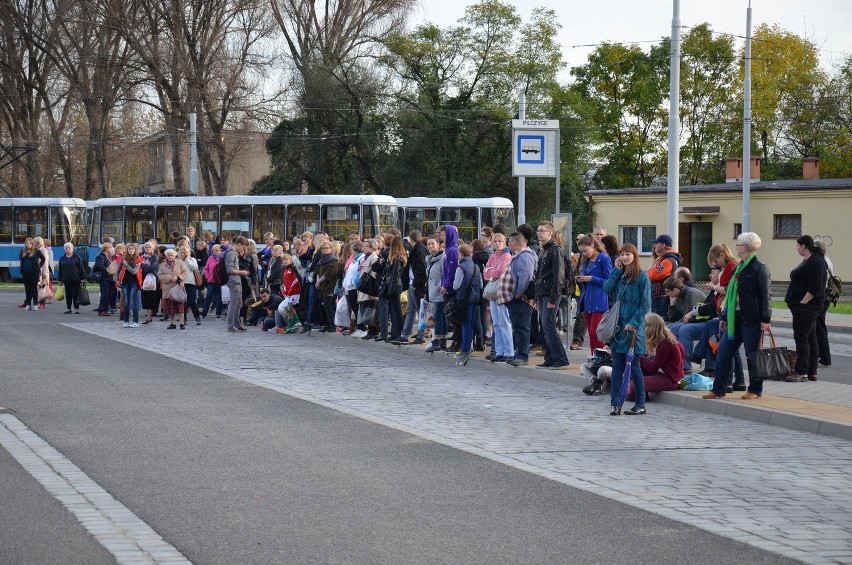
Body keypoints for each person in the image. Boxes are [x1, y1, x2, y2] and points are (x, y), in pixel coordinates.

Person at [703, 232, 772, 400]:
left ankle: (755, 390)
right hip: (735, 317)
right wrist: (725, 317)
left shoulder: (759, 268)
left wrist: (766, 319)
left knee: (752, 354)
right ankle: (718, 388)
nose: (736, 248)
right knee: (724, 351)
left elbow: (766, 295)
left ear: (745, 247)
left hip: (752, 318)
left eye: (738, 245)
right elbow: (731, 295)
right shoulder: (739, 267)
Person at [603, 243, 651, 416]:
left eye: (627, 254)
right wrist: (615, 271)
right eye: (622, 254)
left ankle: (640, 403)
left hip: (633, 329)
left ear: (634, 256)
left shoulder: (642, 277)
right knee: (617, 366)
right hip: (618, 327)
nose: (624, 257)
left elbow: (645, 304)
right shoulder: (620, 276)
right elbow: (606, 288)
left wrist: (633, 322)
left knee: (634, 366)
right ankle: (615, 403)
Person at [784, 235, 828, 382]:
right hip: (804, 306)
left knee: (801, 338)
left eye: (797, 245)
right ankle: (811, 371)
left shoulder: (816, 262)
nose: (796, 248)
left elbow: (815, 287)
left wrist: (803, 303)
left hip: (807, 307)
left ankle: (802, 371)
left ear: (804, 246)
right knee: (810, 337)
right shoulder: (809, 260)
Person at [499, 228, 538, 367]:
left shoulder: (525, 256)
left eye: (509, 241)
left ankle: (522, 356)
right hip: (515, 298)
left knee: (522, 327)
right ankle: (518, 353)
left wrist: (518, 294)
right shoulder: (518, 255)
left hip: (521, 299)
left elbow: (525, 277)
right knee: (518, 327)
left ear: (515, 242)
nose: (508, 244)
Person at [534, 221, 569, 370]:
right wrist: (537, 297)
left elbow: (558, 276)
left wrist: (554, 298)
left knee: (549, 325)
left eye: (542, 230)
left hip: (550, 294)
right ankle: (549, 358)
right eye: (538, 230)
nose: (539, 233)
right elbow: (539, 275)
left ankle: (560, 358)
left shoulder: (555, 250)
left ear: (550, 233)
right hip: (542, 294)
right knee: (545, 325)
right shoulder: (543, 250)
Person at [629, 313, 685, 398]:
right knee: (637, 372)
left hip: (670, 379)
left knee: (634, 386)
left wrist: (639, 357)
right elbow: (682, 352)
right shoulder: (668, 339)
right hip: (670, 376)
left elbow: (652, 368)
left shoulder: (665, 344)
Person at [575, 235, 613, 353]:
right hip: (587, 301)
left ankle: (602, 357)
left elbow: (609, 281)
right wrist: (581, 279)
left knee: (595, 332)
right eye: (581, 252)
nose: (584, 254)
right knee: (591, 334)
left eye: (585, 250)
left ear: (592, 245)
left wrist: (591, 278)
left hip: (599, 300)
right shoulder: (586, 261)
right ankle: (594, 357)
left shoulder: (604, 258)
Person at [483, 232, 513, 362]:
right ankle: (500, 351)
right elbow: (485, 272)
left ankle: (509, 351)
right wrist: (490, 271)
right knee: (495, 322)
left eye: (499, 241)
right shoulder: (493, 256)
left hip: (501, 291)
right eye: (495, 241)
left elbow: (499, 271)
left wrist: (490, 271)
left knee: (504, 322)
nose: (497, 243)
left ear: (504, 242)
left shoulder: (506, 256)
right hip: (493, 292)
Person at [452, 243, 482, 366]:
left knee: (465, 324)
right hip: (475, 298)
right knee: (472, 322)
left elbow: (456, 285)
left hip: (465, 298)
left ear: (461, 254)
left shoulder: (461, 267)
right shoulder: (475, 266)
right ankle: (469, 347)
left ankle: (466, 349)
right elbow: (480, 284)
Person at [400, 231, 428, 344]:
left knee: (419, 310)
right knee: (411, 309)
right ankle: (404, 334)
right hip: (413, 283)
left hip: (417, 285)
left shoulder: (419, 250)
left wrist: (416, 284)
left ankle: (421, 336)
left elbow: (421, 269)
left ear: (411, 240)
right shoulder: (418, 249)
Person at [646, 234, 682, 318]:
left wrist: (649, 271)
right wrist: (650, 271)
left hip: (663, 298)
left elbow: (654, 275)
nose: (654, 246)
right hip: (659, 298)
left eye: (657, 243)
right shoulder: (663, 259)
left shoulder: (668, 260)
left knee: (661, 324)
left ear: (663, 245)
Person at [424, 236, 447, 352]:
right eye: (428, 244)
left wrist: (439, 287)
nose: (431, 246)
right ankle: (442, 339)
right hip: (431, 290)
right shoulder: (428, 258)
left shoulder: (442, 258)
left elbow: (444, 275)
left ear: (438, 244)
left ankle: (437, 340)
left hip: (439, 291)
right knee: (440, 315)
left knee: (438, 316)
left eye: (433, 243)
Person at [313, 240, 340, 332]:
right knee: (324, 305)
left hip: (330, 285)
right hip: (321, 285)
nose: (325, 250)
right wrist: (317, 281)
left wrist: (319, 281)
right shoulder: (322, 260)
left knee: (329, 304)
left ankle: (332, 324)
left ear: (331, 249)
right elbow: (316, 270)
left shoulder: (333, 260)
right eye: (323, 248)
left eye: (327, 248)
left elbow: (329, 273)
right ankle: (328, 323)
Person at [223, 235, 249, 333]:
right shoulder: (231, 253)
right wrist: (242, 272)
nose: (244, 249)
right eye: (243, 246)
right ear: (239, 244)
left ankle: (237, 325)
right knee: (233, 304)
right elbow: (229, 269)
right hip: (233, 281)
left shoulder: (234, 253)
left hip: (237, 281)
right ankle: (230, 326)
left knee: (239, 304)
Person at [158, 248, 187, 329]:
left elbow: (185, 273)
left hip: (178, 287)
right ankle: (172, 323)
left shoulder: (180, 262)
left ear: (175, 256)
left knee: (180, 308)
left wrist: (178, 277)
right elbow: (160, 276)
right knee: (170, 308)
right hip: (168, 289)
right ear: (166, 256)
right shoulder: (162, 265)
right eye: (169, 255)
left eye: (172, 255)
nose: (170, 257)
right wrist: (170, 278)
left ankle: (182, 323)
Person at [815, 240, 832, 366]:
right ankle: (822, 356)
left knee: (819, 328)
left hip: (822, 297)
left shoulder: (821, 262)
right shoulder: (827, 259)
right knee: (819, 326)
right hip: (826, 296)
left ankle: (825, 358)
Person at [117, 243, 144, 327]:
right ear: (127, 250)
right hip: (124, 282)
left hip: (134, 282)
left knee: (133, 301)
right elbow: (118, 269)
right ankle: (126, 321)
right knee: (126, 301)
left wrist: (127, 265)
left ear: (135, 250)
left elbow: (134, 271)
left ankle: (135, 322)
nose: (131, 250)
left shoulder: (138, 259)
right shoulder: (124, 258)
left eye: (132, 249)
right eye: (129, 249)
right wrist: (117, 279)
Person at [57, 242, 86, 314]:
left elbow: (81, 268)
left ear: (72, 249)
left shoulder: (77, 257)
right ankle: (68, 308)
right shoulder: (62, 258)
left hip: (76, 279)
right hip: (66, 279)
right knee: (68, 294)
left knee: (75, 294)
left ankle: (76, 308)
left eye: (69, 248)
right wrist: (60, 279)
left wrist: (82, 278)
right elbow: (60, 269)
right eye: (66, 248)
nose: (67, 249)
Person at [18, 238, 45, 310]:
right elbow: (21, 261)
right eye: (27, 243)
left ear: (32, 244)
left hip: (34, 273)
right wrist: (22, 269)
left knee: (34, 289)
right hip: (25, 273)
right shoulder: (22, 251)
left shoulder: (36, 251)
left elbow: (43, 259)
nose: (28, 245)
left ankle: (35, 305)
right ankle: (28, 304)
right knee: (27, 289)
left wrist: (38, 266)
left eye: (30, 243)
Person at [179, 246, 202, 325]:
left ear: (188, 253)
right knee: (183, 302)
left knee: (192, 301)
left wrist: (187, 259)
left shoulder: (192, 259)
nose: (183, 254)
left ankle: (197, 316)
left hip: (190, 283)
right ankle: (184, 319)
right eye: (182, 252)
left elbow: (195, 268)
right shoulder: (178, 261)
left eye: (185, 252)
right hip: (181, 283)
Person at [93, 242, 115, 316]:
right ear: (106, 248)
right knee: (104, 294)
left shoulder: (109, 256)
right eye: (110, 248)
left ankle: (106, 309)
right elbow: (98, 266)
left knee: (109, 294)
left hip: (109, 277)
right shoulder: (100, 256)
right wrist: (107, 269)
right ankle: (101, 309)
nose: (112, 249)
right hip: (103, 277)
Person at [202, 244, 223, 319]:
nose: (215, 252)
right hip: (211, 280)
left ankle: (218, 313)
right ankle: (204, 312)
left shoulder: (222, 258)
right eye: (214, 250)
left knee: (219, 297)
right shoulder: (210, 258)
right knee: (209, 296)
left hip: (220, 281)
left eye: (217, 250)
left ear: (220, 251)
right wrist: (207, 276)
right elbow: (206, 268)